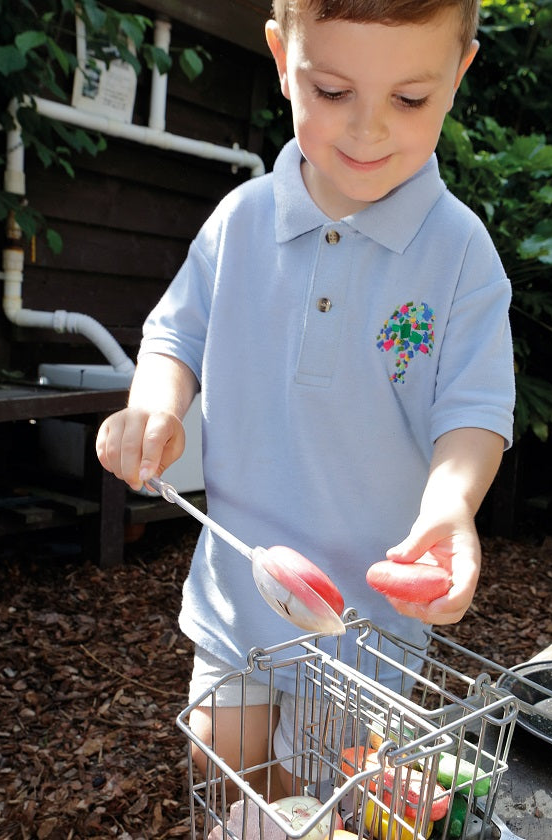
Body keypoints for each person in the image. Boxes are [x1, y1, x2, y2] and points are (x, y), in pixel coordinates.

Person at [95, 0, 514, 794]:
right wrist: (155, 402)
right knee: (220, 768)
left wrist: (453, 505)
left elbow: (475, 410)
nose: (368, 131)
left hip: (366, 615)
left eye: (409, 99)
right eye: (331, 91)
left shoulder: (460, 251)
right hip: (239, 582)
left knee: (318, 791)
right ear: (283, 58)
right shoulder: (240, 220)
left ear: (458, 75)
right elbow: (174, 336)